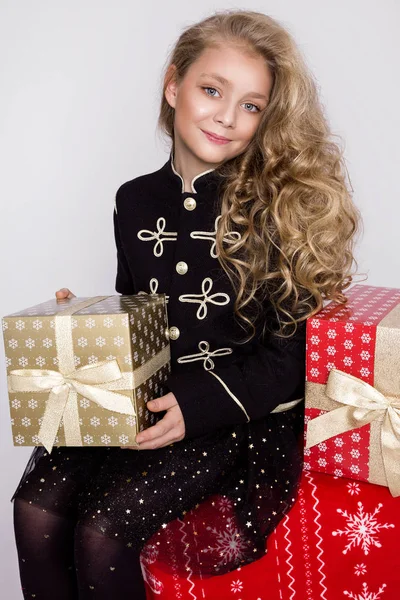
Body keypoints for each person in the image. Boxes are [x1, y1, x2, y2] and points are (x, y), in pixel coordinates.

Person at [11, 9, 362, 599]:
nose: (227, 116)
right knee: (34, 513)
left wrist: (197, 409)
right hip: (142, 402)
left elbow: (291, 355)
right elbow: (143, 306)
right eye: (211, 90)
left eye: (251, 105)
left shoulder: (278, 208)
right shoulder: (134, 199)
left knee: (101, 535)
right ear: (174, 85)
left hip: (231, 418)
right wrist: (87, 317)